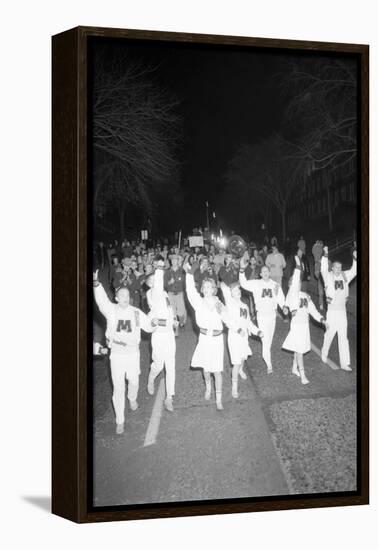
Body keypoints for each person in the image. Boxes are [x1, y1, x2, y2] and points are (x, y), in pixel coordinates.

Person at [93, 270, 154, 435]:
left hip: (133, 353)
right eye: (122, 295)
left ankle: (132, 398)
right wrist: (96, 284)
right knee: (118, 387)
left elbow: (148, 325)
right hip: (117, 355)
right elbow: (101, 301)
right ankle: (120, 419)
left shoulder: (136, 312)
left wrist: (154, 321)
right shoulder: (111, 310)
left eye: (127, 295)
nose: (125, 298)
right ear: (116, 298)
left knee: (134, 381)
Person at [184, 261, 230, 410]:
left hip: (217, 339)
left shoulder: (218, 303)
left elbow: (227, 318)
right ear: (202, 289)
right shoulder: (198, 302)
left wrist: (239, 328)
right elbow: (190, 290)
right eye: (205, 287)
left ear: (214, 289)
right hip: (204, 338)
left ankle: (218, 398)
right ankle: (208, 387)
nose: (208, 289)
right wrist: (190, 274)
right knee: (206, 368)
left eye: (211, 287)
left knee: (217, 370)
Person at [282, 252, 327, 384]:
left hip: (305, 325)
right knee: (300, 350)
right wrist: (297, 267)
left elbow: (312, 310)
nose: (296, 283)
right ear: (290, 285)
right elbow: (287, 302)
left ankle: (293, 368)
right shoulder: (291, 294)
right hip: (296, 326)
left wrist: (322, 320)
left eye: (296, 282)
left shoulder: (305, 296)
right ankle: (302, 375)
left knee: (298, 348)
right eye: (292, 282)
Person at [239, 257, 287, 373]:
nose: (265, 273)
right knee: (265, 339)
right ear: (260, 274)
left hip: (272, 316)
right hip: (262, 316)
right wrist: (241, 270)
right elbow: (243, 283)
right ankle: (269, 364)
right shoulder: (256, 284)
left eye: (267, 271)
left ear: (269, 273)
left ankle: (266, 355)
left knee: (269, 340)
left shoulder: (275, 285)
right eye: (263, 271)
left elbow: (281, 298)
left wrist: (284, 307)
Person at [220, 282, 263, 398]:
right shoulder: (230, 303)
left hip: (244, 337)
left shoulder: (245, 306)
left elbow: (248, 323)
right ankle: (234, 387)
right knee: (236, 362)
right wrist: (225, 287)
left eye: (239, 290)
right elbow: (228, 321)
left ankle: (240, 370)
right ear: (231, 294)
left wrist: (257, 331)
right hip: (234, 336)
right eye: (235, 290)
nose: (238, 292)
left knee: (243, 356)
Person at [146, 262, 178, 412]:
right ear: (149, 284)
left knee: (170, 365)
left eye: (156, 279)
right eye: (151, 280)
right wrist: (159, 269)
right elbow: (158, 287)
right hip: (158, 334)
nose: (155, 282)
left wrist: (174, 319)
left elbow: (169, 309)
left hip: (169, 334)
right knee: (158, 365)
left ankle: (169, 397)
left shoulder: (164, 293)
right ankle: (151, 377)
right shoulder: (151, 293)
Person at [320, 246, 357, 371]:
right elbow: (323, 268)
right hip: (332, 312)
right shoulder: (327, 276)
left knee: (343, 336)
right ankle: (324, 353)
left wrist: (355, 257)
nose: (338, 270)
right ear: (332, 268)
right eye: (336, 267)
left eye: (340, 268)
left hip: (342, 311)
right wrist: (325, 254)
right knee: (330, 334)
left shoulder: (344, 276)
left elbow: (354, 270)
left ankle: (345, 363)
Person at [164, 254, 187, 333]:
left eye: (176, 260)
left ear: (178, 261)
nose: (174, 261)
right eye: (172, 260)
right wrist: (169, 282)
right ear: (171, 261)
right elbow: (164, 284)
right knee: (172, 312)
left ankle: (181, 323)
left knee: (180, 312)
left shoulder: (182, 271)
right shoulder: (167, 271)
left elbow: (185, 281)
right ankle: (175, 330)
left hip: (179, 294)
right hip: (170, 294)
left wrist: (177, 279)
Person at [312, 239, 325, 310]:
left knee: (321, 285)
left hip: (319, 270)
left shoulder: (316, 248)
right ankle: (322, 303)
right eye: (321, 245)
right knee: (322, 286)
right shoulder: (318, 248)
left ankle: (321, 304)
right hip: (319, 270)